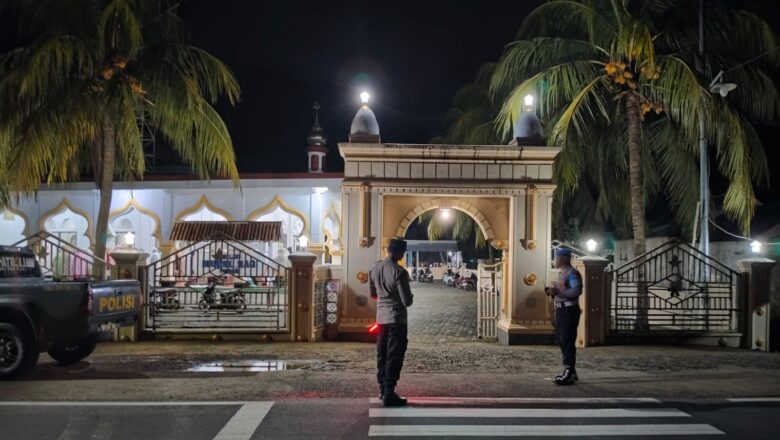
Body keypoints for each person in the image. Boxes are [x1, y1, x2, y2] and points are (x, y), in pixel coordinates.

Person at [370, 238, 414, 407]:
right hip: (396, 319)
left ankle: (382, 389)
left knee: (382, 354)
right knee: (394, 356)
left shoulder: (374, 268)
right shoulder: (399, 272)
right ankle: (389, 392)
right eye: (402, 252)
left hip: (381, 318)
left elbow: (373, 294)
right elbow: (407, 301)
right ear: (397, 252)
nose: (402, 256)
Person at [545, 247, 583, 385]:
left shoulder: (572, 273)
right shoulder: (563, 273)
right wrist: (553, 292)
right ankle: (571, 370)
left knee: (566, 340)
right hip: (561, 311)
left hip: (568, 311)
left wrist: (559, 291)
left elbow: (576, 291)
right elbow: (564, 291)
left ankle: (569, 370)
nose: (555, 260)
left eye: (557, 257)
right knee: (562, 340)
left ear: (565, 258)